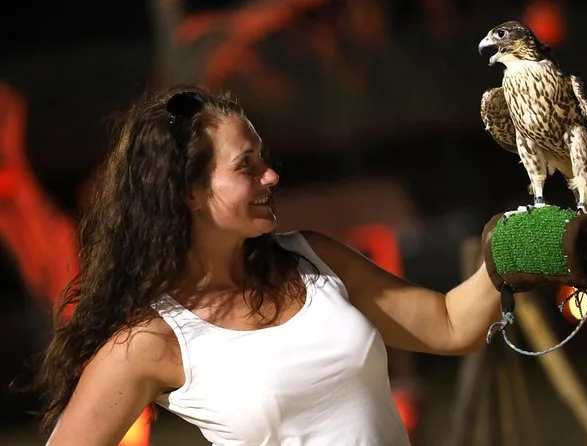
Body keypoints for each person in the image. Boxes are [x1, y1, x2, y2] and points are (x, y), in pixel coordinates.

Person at [37, 85, 504, 446]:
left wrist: (507, 251)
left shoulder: (315, 261)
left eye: (264, 158)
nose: (272, 175)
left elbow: (450, 325)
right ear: (189, 192)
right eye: (247, 166)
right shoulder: (153, 339)